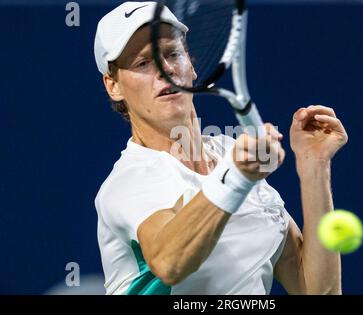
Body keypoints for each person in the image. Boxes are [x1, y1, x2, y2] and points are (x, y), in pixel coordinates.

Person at [94, 2, 348, 295]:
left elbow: (318, 291)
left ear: (190, 65)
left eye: (173, 53)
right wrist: (237, 177)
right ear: (113, 86)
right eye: (142, 63)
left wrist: (313, 166)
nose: (164, 69)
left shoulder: (231, 156)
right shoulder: (128, 182)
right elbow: (169, 262)